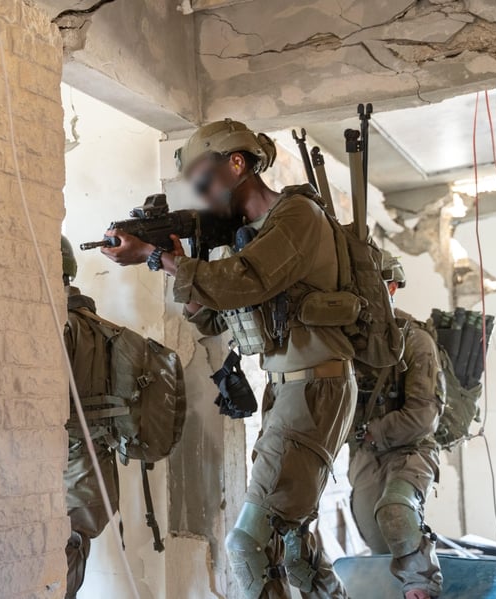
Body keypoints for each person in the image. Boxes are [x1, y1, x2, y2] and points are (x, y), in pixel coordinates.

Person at [100, 119, 355, 599]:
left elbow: (244, 282)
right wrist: (180, 262)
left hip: (315, 387)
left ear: (236, 164)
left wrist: (160, 258)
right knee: (291, 542)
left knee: (246, 545)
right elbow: (217, 317)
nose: (199, 195)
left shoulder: (296, 216)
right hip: (291, 388)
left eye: (201, 180)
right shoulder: (253, 234)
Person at [348, 252, 444, 599]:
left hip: (410, 450)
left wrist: (375, 431)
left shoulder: (416, 341)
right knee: (377, 541)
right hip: (365, 455)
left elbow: (422, 417)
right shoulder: (346, 341)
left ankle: (422, 587)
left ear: (391, 287)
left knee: (395, 513)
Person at [61, 235, 121, 599]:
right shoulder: (94, 324)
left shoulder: (64, 327)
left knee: (64, 564)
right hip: (93, 468)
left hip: (75, 471)